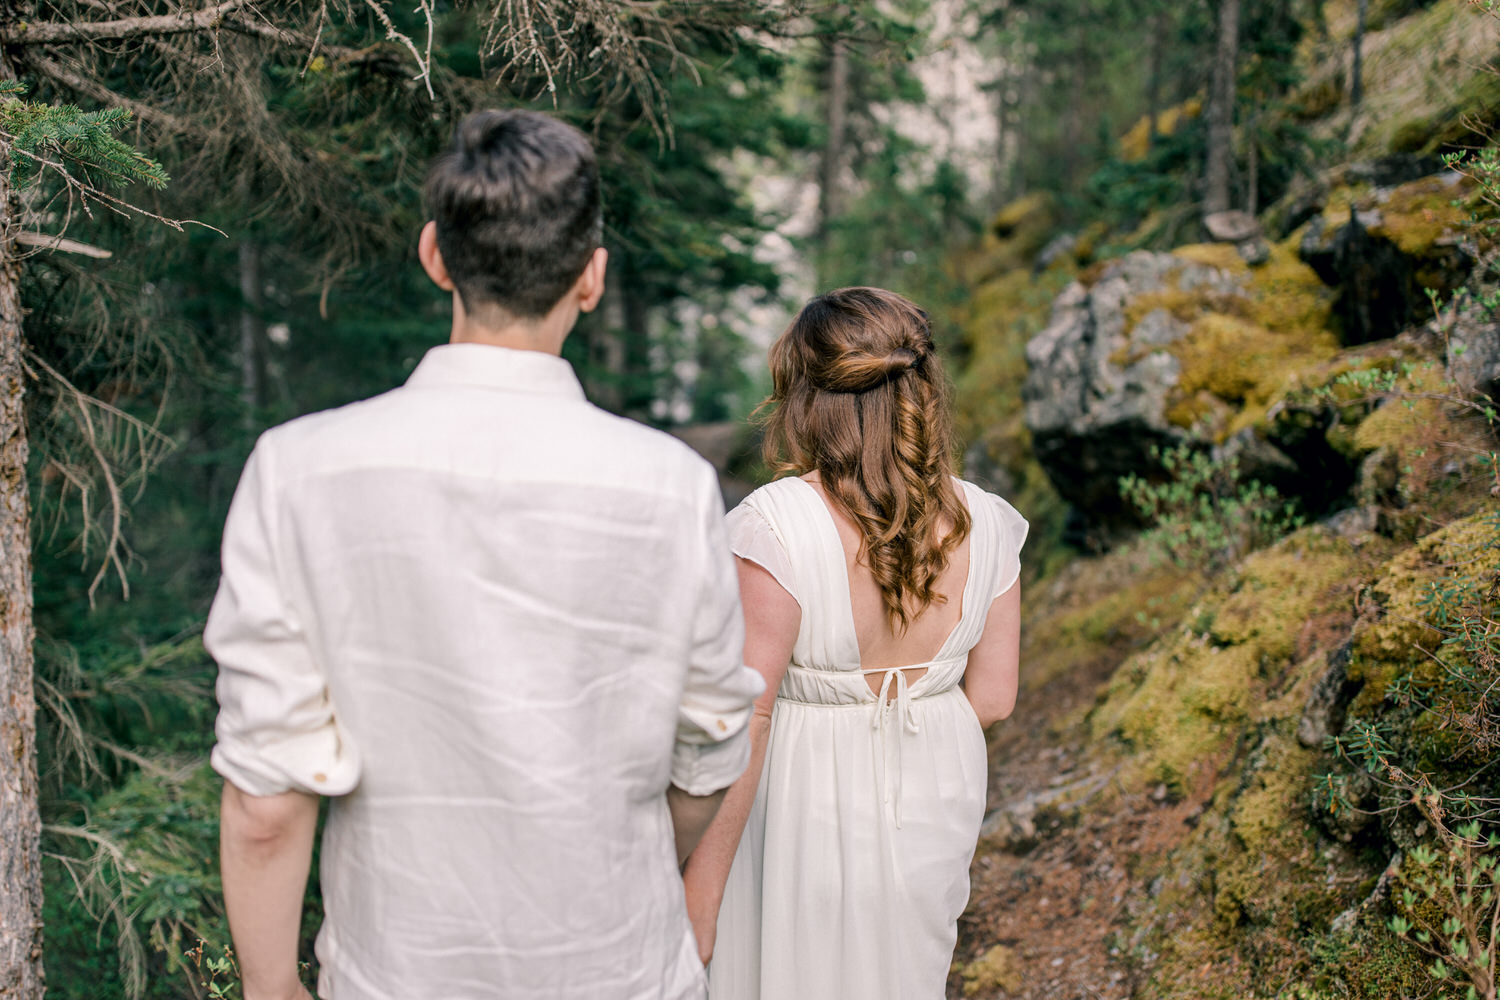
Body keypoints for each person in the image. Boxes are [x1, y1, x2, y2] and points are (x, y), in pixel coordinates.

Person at [205, 109, 764, 1000]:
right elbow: (708, 750)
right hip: (620, 969)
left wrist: (271, 991)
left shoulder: (297, 471)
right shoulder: (671, 486)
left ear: (435, 255)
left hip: (397, 971)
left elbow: (267, 803)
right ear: (591, 277)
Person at [680, 287, 1028, 999]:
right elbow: (993, 699)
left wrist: (700, 890)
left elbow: (747, 712)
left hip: (797, 807)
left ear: (806, 394)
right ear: (922, 389)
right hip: (932, 800)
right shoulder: (988, 522)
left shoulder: (774, 527)